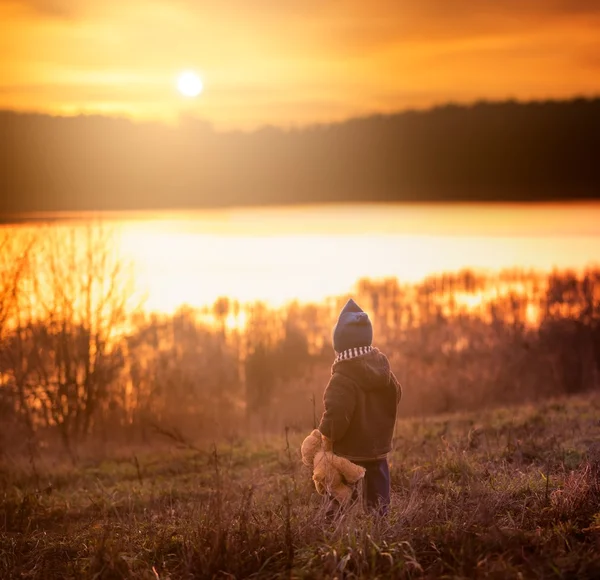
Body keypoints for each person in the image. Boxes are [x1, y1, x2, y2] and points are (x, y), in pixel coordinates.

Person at [318, 298, 402, 516]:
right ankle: (380, 525)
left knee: (342, 492)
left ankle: (335, 524)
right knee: (378, 494)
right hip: (379, 449)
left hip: (350, 451)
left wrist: (326, 435)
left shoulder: (342, 377)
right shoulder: (384, 371)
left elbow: (337, 415)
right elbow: (397, 394)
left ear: (340, 343)